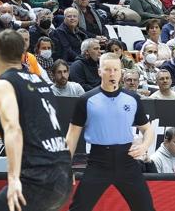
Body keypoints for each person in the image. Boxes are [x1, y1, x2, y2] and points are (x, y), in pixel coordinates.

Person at [0, 29, 71, 211]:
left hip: (37, 178)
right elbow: (45, 126)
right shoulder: (40, 81)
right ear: (23, 55)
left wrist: (13, 178)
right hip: (64, 175)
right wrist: (3, 130)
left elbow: (14, 128)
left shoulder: (2, 84)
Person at [65, 52, 156, 211]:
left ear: (121, 71)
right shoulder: (86, 99)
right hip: (98, 161)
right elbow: (72, 135)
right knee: (79, 208)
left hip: (127, 161)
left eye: (115, 69)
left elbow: (147, 129)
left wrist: (143, 146)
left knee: (146, 208)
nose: (112, 73)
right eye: (107, 69)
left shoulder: (132, 99)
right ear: (99, 71)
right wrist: (65, 165)